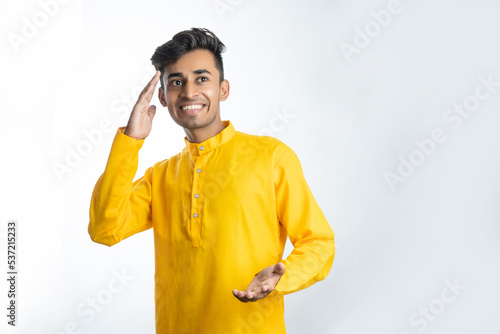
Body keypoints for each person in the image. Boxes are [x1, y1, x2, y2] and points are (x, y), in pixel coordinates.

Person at [88, 27, 335, 333]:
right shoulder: (161, 177)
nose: (189, 92)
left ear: (223, 89)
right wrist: (131, 140)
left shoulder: (271, 157)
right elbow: (104, 228)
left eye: (201, 79)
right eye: (176, 82)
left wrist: (283, 275)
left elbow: (319, 242)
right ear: (163, 97)